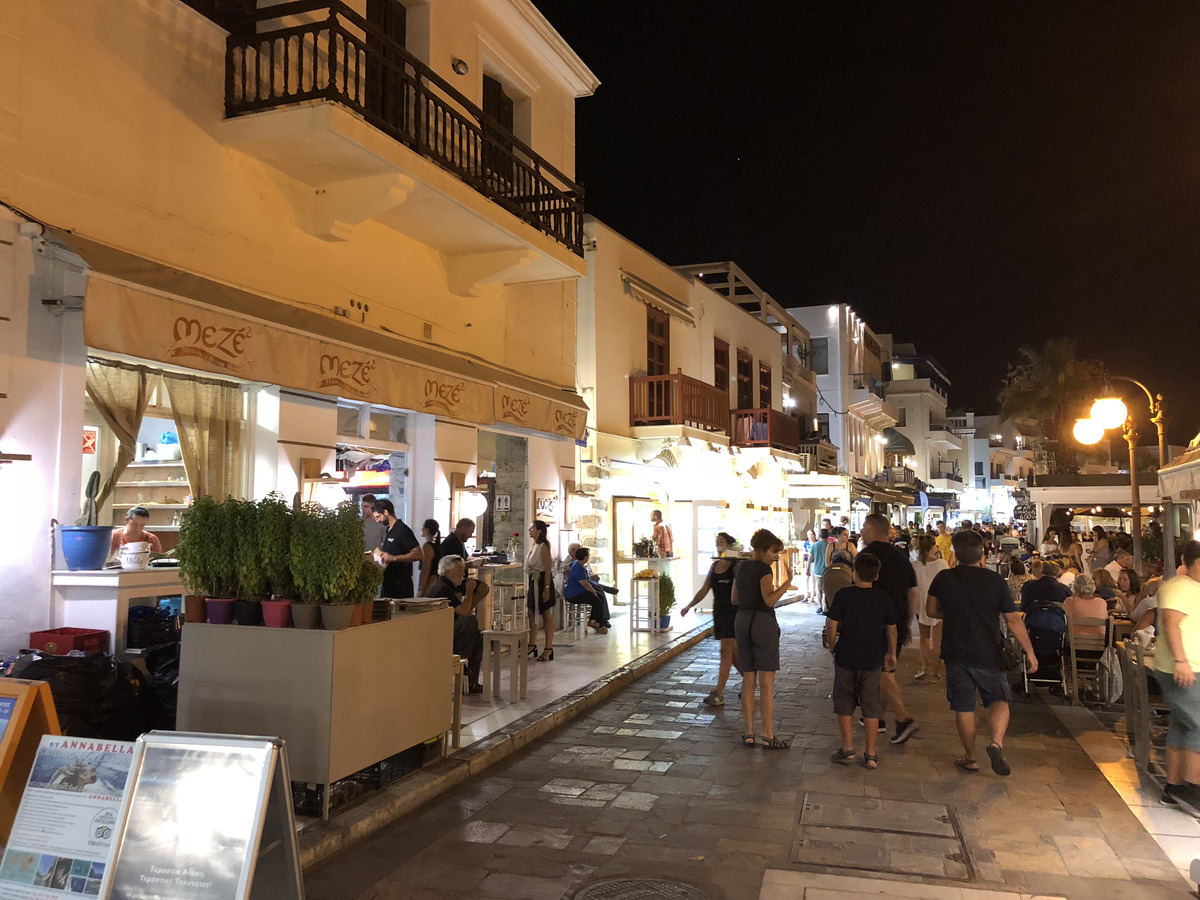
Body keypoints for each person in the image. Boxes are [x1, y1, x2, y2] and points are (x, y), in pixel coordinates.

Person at [926, 528, 1037, 776]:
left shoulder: (944, 578)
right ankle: (996, 744)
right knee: (998, 700)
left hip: (956, 651)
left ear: (955, 552)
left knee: (964, 707)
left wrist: (954, 613)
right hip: (988, 651)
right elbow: (1013, 620)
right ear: (982, 554)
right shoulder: (995, 581)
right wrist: (1030, 652)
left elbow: (931, 610)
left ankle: (970, 757)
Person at [824, 553, 897, 770]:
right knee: (871, 705)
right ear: (876, 576)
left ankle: (847, 749)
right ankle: (871, 753)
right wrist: (891, 653)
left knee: (844, 702)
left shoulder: (844, 595)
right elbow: (891, 629)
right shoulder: (883, 598)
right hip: (873, 659)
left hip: (846, 655)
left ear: (854, 574)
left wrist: (832, 646)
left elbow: (831, 625)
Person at [859, 514, 920, 744]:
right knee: (886, 671)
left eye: (864, 527)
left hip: (874, 623)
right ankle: (878, 718)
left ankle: (904, 718)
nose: (861, 531)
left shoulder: (867, 557)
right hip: (898, 622)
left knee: (882, 671)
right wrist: (908, 622)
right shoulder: (901, 557)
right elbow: (912, 592)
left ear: (873, 529)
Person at [734, 528, 794, 749]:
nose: (776, 556)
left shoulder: (740, 568)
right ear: (761, 550)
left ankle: (749, 733)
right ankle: (768, 735)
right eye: (773, 552)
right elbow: (768, 600)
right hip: (762, 623)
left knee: (748, 679)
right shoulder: (764, 571)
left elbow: (734, 598)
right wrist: (787, 584)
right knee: (767, 682)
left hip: (741, 620)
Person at [1152, 541, 1200, 809]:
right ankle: (1194, 791)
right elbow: (1171, 624)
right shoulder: (1180, 587)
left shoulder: (1189, 587)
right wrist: (1181, 660)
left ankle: (1173, 786)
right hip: (1184, 667)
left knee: (1182, 726)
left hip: (1188, 666)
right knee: (1199, 725)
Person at [680, 532, 739, 706]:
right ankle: (750, 681)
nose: (719, 544)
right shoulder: (714, 566)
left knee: (725, 652)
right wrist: (689, 605)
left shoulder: (736, 566)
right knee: (732, 654)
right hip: (719, 612)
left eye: (722, 542)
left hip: (733, 612)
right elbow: (705, 588)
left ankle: (719, 692)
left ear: (730, 545)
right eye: (717, 542)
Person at [425, 555, 487, 693]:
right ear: (447, 571)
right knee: (470, 620)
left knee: (477, 636)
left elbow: (484, 588)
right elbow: (464, 612)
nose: (463, 574)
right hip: (438, 633)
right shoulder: (442, 587)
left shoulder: (451, 584)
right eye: (459, 570)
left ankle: (471, 681)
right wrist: (469, 592)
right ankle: (461, 664)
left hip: (447, 628)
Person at [913, 534, 948, 681]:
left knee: (924, 637)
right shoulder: (941, 564)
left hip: (921, 604)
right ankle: (935, 672)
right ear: (933, 547)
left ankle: (923, 667)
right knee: (938, 640)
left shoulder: (914, 565)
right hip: (938, 604)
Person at [373, 499, 422, 598]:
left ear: (386, 512)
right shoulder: (388, 530)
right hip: (388, 583)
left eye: (378, 517)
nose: (377, 521)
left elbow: (419, 554)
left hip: (401, 586)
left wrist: (394, 558)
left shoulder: (402, 530)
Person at [562, 547, 611, 634]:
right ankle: (597, 624)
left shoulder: (576, 564)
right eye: (588, 555)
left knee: (599, 597)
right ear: (585, 557)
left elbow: (566, 567)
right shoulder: (578, 567)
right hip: (574, 594)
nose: (589, 557)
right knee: (596, 600)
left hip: (579, 592)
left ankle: (594, 621)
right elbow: (584, 583)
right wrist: (593, 591)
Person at [525, 520, 555, 661]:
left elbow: (548, 568)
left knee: (545, 613)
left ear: (539, 531)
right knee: (531, 611)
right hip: (534, 580)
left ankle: (548, 648)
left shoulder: (543, 546)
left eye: (532, 528)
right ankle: (532, 643)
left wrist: (547, 588)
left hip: (543, 581)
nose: (530, 530)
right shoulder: (534, 545)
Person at [418, 519, 443, 596]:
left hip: (430, 580)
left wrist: (421, 587)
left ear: (427, 530)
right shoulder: (437, 546)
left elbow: (426, 567)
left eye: (423, 527)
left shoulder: (427, 546)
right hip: (437, 579)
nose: (422, 529)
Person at [811, 527, 830, 611]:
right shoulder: (830, 545)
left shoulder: (815, 545)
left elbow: (810, 557)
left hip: (817, 569)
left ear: (819, 535)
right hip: (827, 570)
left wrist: (807, 568)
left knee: (819, 589)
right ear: (828, 536)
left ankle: (820, 606)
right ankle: (825, 606)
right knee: (826, 589)